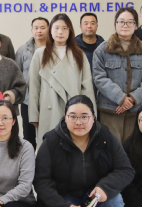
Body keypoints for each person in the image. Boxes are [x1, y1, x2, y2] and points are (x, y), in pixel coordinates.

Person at [33, 95, 134, 207]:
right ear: (65, 117)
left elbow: (125, 169)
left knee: (115, 201)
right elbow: (41, 181)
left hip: (96, 195)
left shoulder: (106, 137)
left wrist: (105, 187)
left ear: (93, 118)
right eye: (73, 116)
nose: (79, 122)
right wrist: (62, 206)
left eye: (84, 117)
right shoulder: (51, 141)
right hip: (65, 197)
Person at [92, 7, 142, 142]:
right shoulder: (102, 50)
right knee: (111, 147)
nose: (125, 25)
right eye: (121, 21)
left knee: (134, 148)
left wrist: (133, 98)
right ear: (115, 24)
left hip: (138, 109)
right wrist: (120, 97)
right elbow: (99, 78)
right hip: (110, 109)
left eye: (130, 22)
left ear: (136, 25)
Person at [29, 14, 96, 148]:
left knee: (74, 148)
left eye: (65, 28)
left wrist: (90, 114)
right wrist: (34, 116)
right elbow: (34, 87)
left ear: (70, 31)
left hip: (74, 111)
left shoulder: (79, 54)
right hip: (49, 109)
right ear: (50, 30)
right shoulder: (40, 54)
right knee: (50, 149)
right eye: (56, 28)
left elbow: (87, 87)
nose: (60, 32)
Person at [15, 17, 49, 151]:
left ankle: (46, 159)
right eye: (36, 28)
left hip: (48, 100)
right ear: (31, 30)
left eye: (42, 27)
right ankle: (29, 160)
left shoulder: (54, 48)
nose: (39, 30)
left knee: (48, 132)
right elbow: (17, 73)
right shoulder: (23, 50)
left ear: (48, 29)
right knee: (28, 134)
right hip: (28, 99)